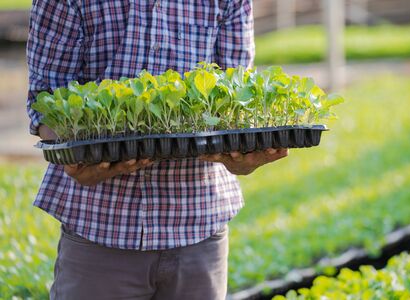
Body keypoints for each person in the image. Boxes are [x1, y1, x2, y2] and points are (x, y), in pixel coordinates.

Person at [27, 0, 288, 299]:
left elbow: (236, 95)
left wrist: (244, 156)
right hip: (99, 226)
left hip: (199, 228)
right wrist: (74, 156)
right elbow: (46, 101)